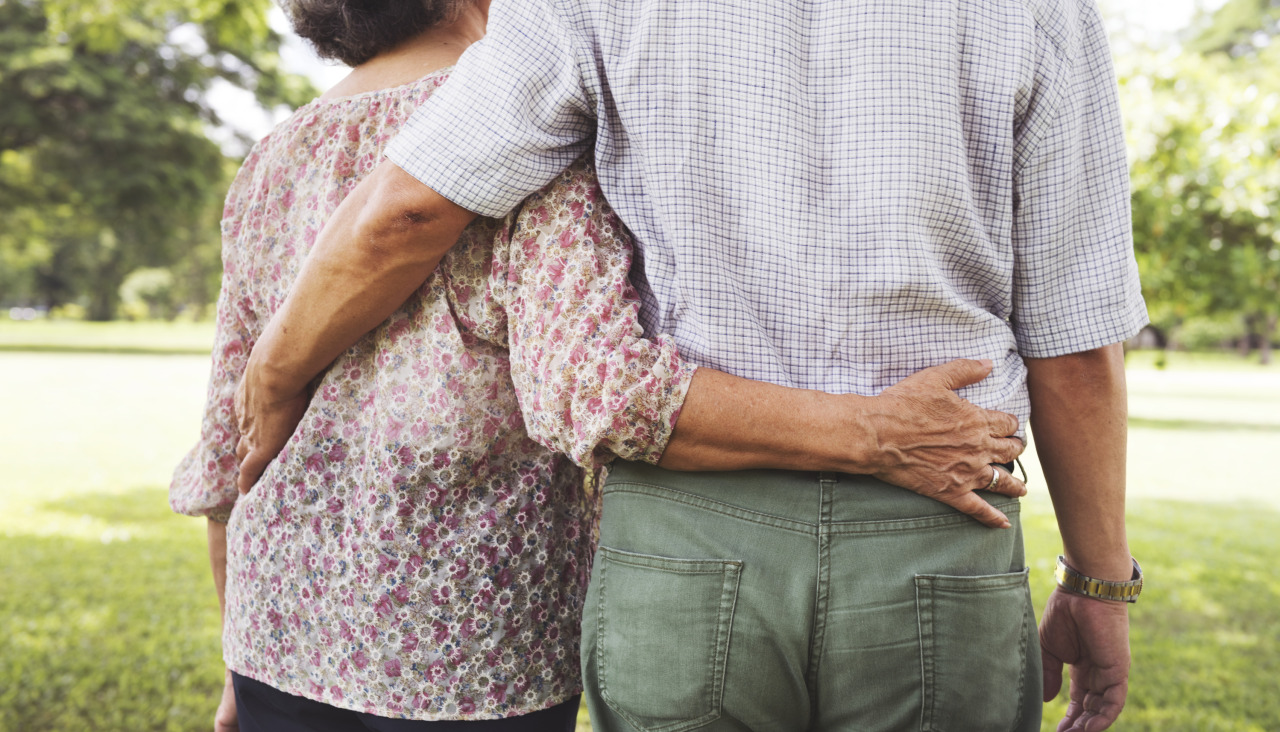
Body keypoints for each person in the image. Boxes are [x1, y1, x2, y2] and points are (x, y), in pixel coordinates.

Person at [232, 0, 1148, 729]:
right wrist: (1098, 580)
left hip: (687, 547)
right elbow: (1073, 340)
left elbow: (406, 213)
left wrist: (274, 375)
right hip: (939, 532)